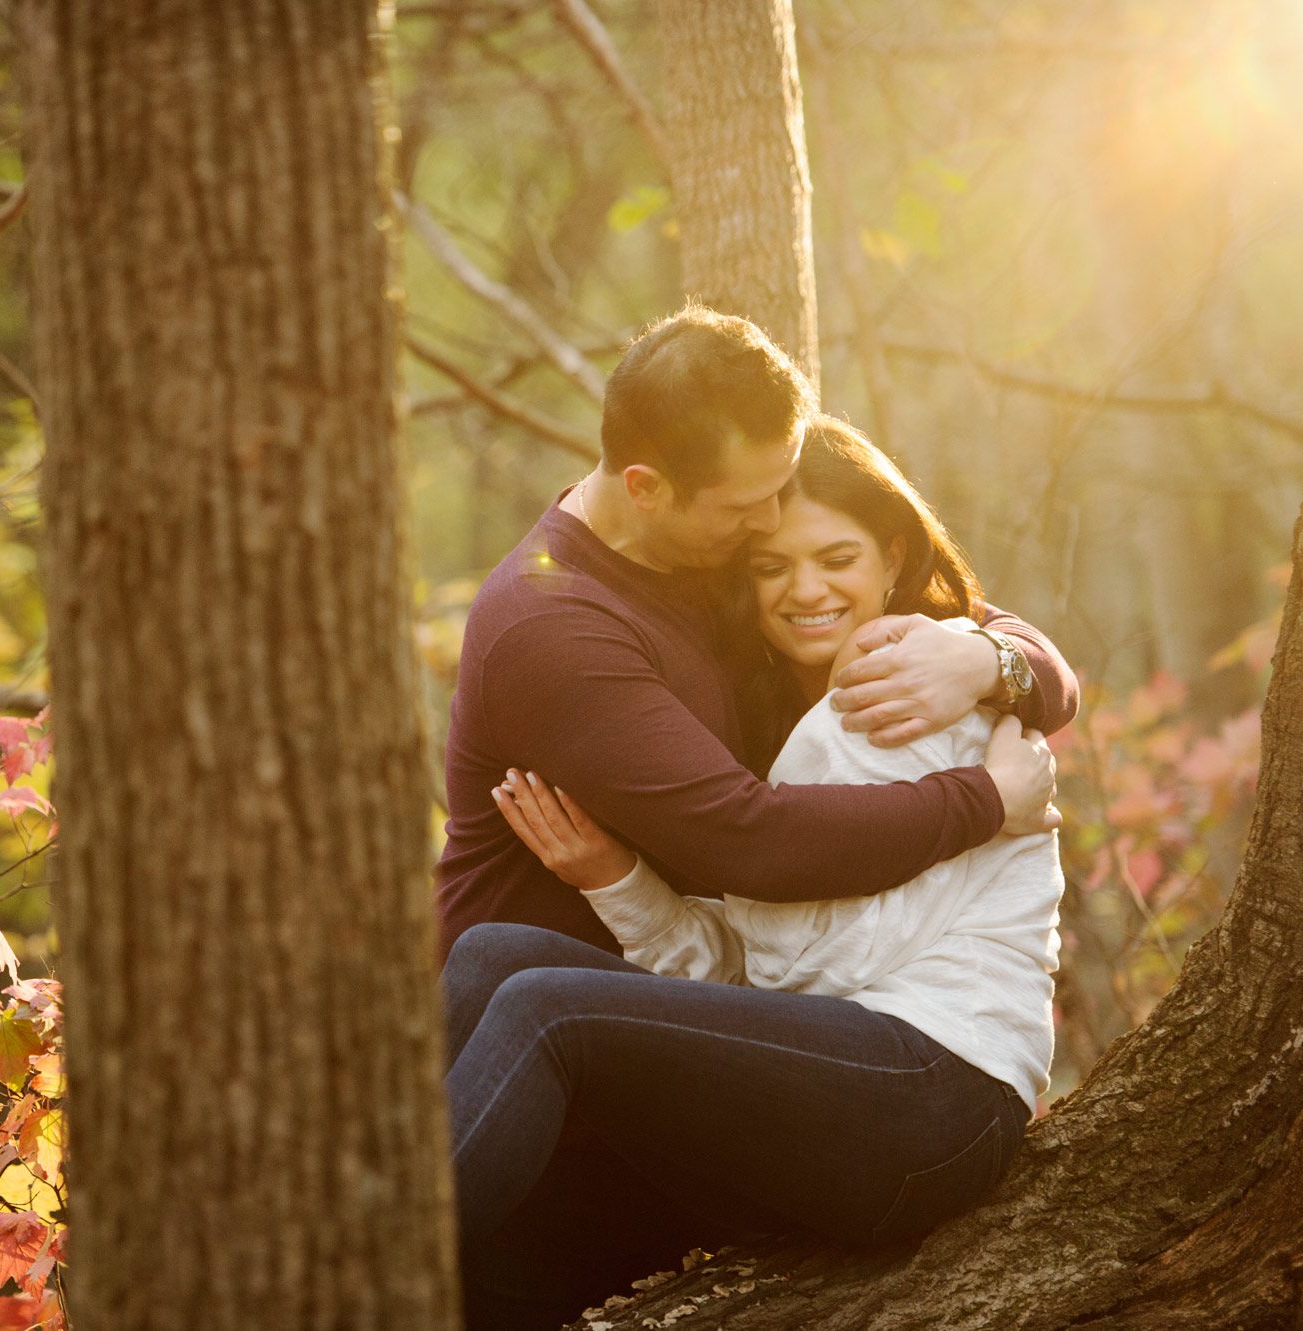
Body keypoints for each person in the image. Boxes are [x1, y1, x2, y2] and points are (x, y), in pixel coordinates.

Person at [430, 305, 1077, 1327]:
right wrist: (621, 883)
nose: (773, 536)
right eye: (759, 536)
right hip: (691, 1064)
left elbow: (786, 943)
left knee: (539, 1004)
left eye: (812, 537)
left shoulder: (913, 679)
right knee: (492, 962)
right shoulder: (558, 619)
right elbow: (758, 855)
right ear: (646, 489)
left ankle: (337, 1289)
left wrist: (1001, 660)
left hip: (922, 1085)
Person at [432, 304, 1074, 969]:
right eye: (746, 507)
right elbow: (751, 843)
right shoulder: (550, 624)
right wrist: (992, 798)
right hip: (546, 992)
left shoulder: (714, 540)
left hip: (713, 987)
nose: (770, 520)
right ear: (645, 489)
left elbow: (1031, 660)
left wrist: (985, 659)